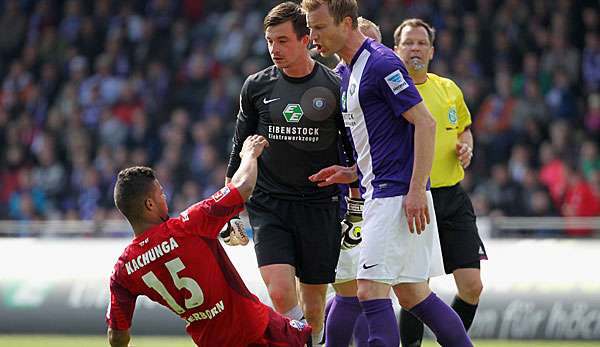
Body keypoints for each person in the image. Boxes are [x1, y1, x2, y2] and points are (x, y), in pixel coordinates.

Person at [303, 1, 473, 346]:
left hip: (394, 196)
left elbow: (425, 123)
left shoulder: (381, 63)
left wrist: (413, 191)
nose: (312, 36)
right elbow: (384, 142)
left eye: (319, 27)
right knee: (412, 295)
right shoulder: (349, 71)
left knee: (367, 290)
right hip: (379, 191)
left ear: (346, 23)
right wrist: (351, 172)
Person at [224, 2, 354, 345]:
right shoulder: (256, 86)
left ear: (306, 39)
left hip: (319, 206)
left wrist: (353, 184)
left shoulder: (334, 86)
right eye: (270, 41)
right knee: (281, 295)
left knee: (313, 308)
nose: (274, 49)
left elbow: (352, 145)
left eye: (282, 41)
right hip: (270, 205)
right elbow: (239, 146)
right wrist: (230, 203)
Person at [106, 136, 313, 347]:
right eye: (161, 193)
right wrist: (249, 154)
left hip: (211, 341)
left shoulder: (124, 270)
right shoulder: (188, 226)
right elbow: (244, 185)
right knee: (313, 333)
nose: (165, 196)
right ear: (149, 204)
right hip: (256, 330)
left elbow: (117, 335)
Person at [393, 18, 488, 346]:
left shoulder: (449, 89)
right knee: (416, 287)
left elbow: (464, 128)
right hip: (416, 198)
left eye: (421, 42)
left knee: (472, 286)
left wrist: (467, 145)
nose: (415, 48)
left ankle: (452, 340)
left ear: (432, 51)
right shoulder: (391, 91)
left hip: (453, 197)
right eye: (408, 42)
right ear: (396, 49)